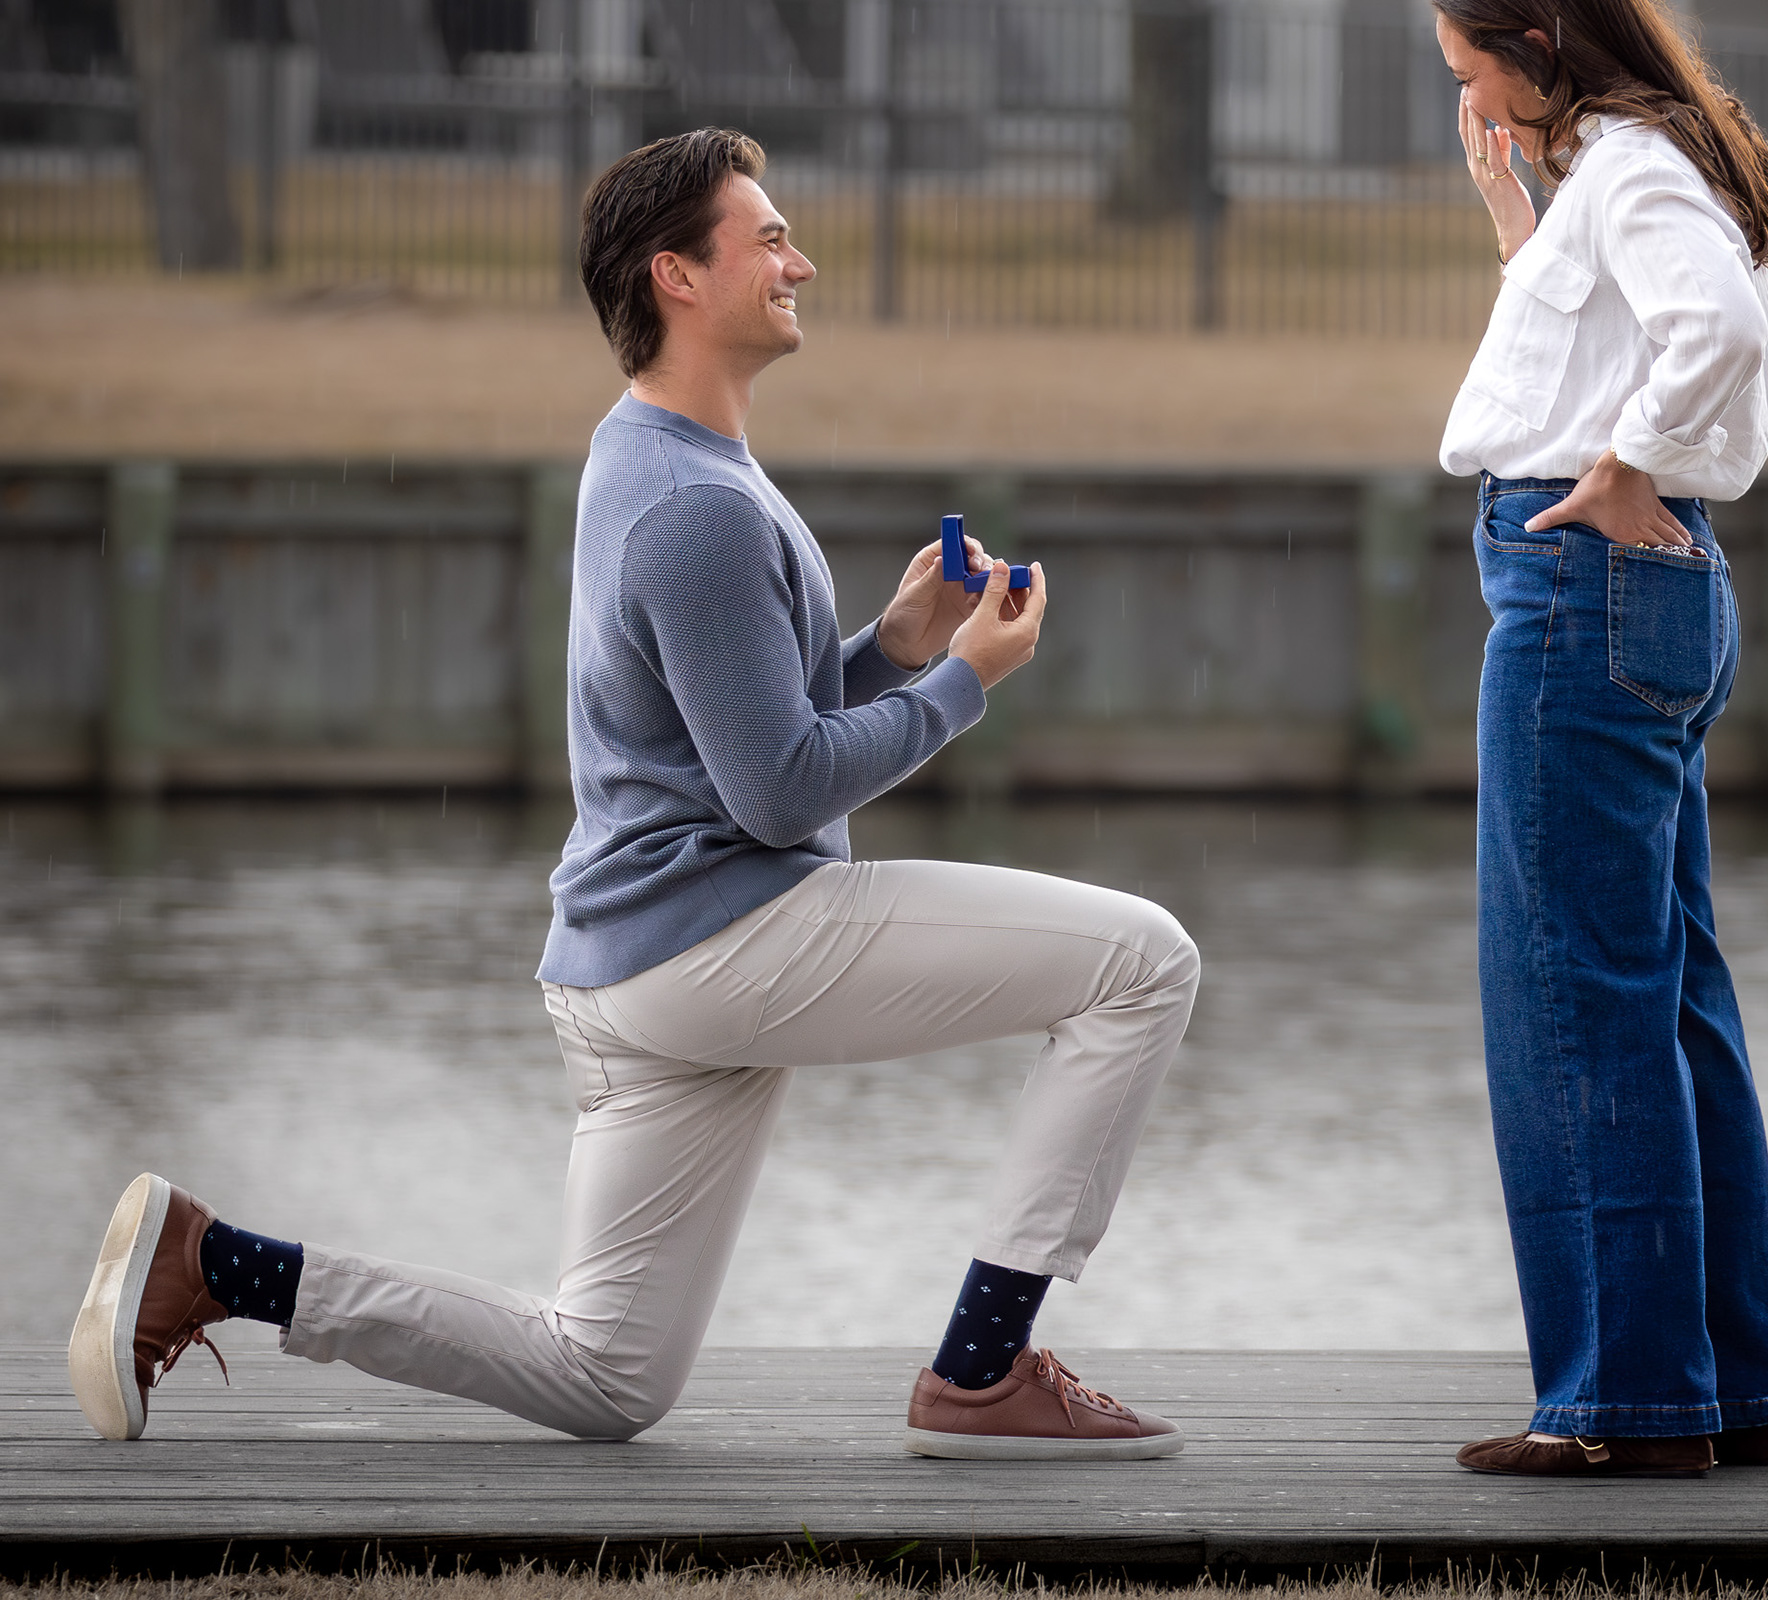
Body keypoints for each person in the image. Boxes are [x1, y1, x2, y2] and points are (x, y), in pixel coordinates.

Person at [69, 128, 1198, 1458]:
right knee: (1143, 962)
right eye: (769, 238)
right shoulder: (696, 507)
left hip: (636, 972)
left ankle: (213, 1264)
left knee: (606, 1378)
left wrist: (890, 649)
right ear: (677, 275)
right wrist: (963, 682)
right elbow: (776, 795)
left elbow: (721, 740)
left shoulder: (651, 456)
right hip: (723, 937)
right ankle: (981, 1367)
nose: (803, 262)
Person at [1434, 0, 1768, 1479]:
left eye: (1476, 75)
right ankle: (1726, 1385)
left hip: (1580, 587)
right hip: (1637, 594)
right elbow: (1598, 346)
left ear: (1537, 49)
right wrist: (1520, 223)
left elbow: (1705, 331)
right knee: (1666, 992)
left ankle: (1624, 1408)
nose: (1472, 102)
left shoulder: (1637, 166)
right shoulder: (1626, 168)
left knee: (1572, 997)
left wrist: (1623, 467)